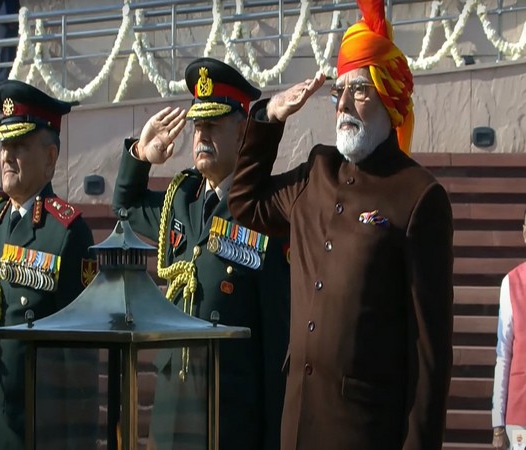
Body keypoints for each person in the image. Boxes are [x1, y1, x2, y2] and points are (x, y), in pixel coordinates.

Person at [227, 1, 454, 449]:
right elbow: (244, 202)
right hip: (297, 426)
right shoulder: (318, 172)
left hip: (365, 433)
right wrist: (268, 117)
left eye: (360, 91)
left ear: (389, 99)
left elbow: (430, 357)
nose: (344, 104)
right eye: (339, 93)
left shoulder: (419, 196)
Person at [112, 57, 290, 450]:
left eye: (212, 124)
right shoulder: (182, 199)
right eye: (197, 125)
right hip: (172, 408)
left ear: (243, 131)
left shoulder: (261, 211)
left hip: (228, 416)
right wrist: (141, 154)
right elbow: (124, 206)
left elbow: (276, 343)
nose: (200, 135)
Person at [0, 80, 96, 449]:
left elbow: (80, 358)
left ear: (51, 158)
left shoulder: (67, 233)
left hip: (36, 428)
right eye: (5, 146)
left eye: (20, 146)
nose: (7, 156)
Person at [491, 212, 526, 450]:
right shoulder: (511, 283)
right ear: (524, 232)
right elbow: (503, 355)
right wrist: (497, 423)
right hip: (520, 416)